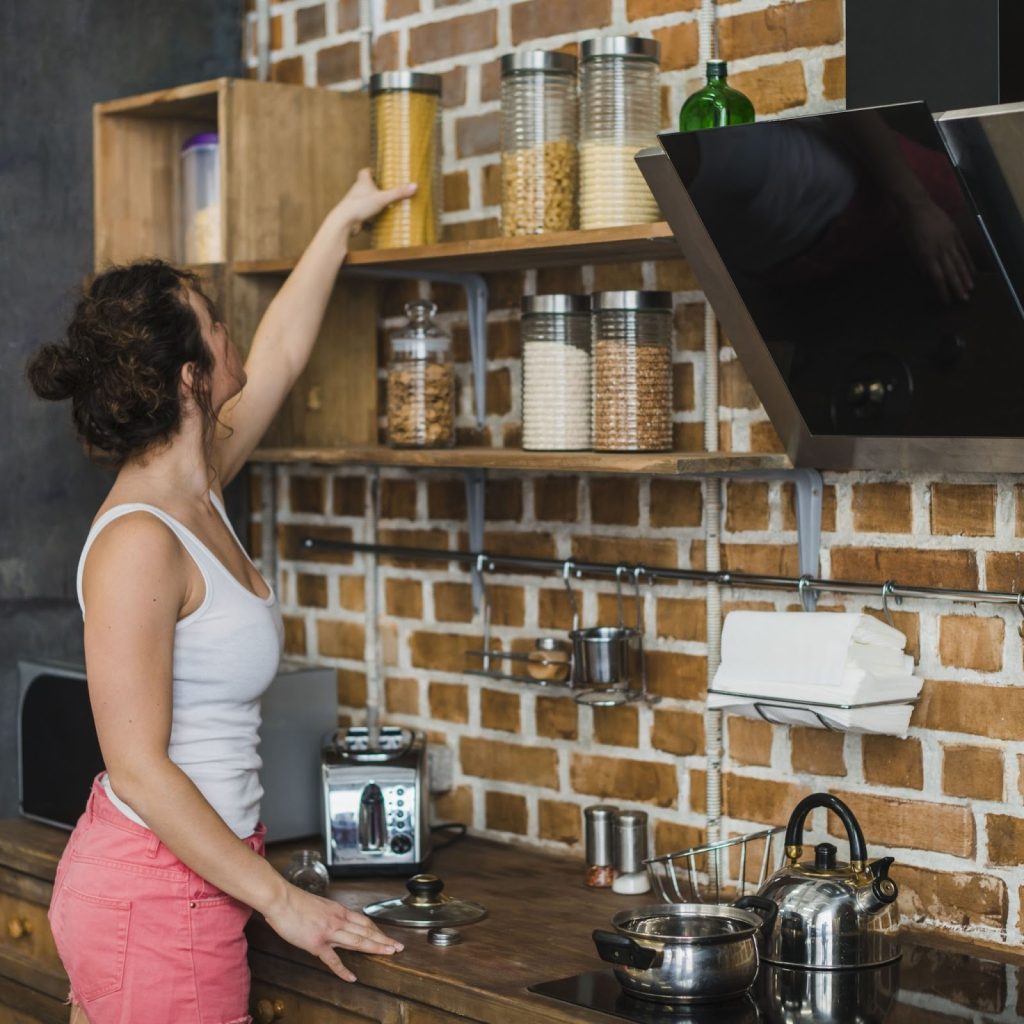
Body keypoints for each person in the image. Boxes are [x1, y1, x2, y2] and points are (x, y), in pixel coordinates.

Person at [26, 168, 417, 1024]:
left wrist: (342, 221)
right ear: (189, 378)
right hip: (157, 895)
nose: (229, 324)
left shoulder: (200, 491)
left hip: (193, 881)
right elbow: (138, 766)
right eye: (212, 316)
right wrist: (282, 900)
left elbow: (278, 353)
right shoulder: (140, 541)